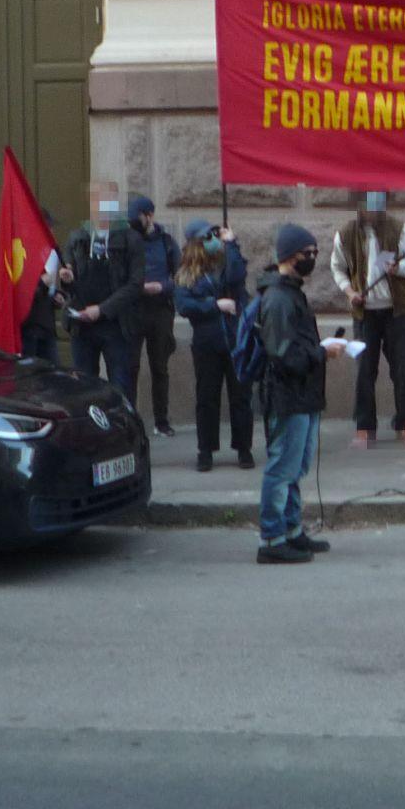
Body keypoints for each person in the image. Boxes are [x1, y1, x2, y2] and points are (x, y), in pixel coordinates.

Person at [254, 224, 343, 564]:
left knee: (296, 467)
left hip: (303, 395)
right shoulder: (278, 298)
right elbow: (282, 355)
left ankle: (291, 530)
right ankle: (271, 539)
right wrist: (323, 353)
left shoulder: (291, 293)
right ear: (291, 256)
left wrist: (321, 349)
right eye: (309, 253)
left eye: (315, 252)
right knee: (282, 468)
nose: (313, 258)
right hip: (287, 396)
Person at [331, 190, 405, 447]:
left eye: (377, 203)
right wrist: (350, 293)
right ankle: (364, 426)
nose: (373, 210)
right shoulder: (346, 233)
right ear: (359, 205)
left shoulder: (399, 229)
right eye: (368, 204)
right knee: (364, 371)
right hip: (365, 314)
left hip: (396, 311)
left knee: (402, 370)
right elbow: (337, 268)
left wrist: (398, 268)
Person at [175, 218, 254, 472]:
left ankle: (244, 448)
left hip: (235, 341)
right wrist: (213, 305)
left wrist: (232, 245)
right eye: (208, 236)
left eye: (215, 235)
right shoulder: (187, 273)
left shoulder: (226, 262)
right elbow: (184, 305)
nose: (214, 240)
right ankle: (206, 450)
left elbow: (237, 275)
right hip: (207, 343)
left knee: (241, 397)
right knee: (207, 398)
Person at [60, 183, 143, 400]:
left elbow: (135, 284)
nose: (100, 205)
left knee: (121, 387)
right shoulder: (78, 237)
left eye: (106, 200)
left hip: (117, 325)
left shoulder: (130, 239)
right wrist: (66, 278)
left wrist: (102, 309)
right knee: (83, 388)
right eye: (96, 199)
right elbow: (68, 277)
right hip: (82, 325)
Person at [130, 195, 180, 439]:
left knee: (160, 367)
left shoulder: (167, 243)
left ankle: (162, 421)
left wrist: (162, 287)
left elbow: (181, 276)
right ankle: (129, 421)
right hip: (133, 310)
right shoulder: (128, 240)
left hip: (160, 311)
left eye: (137, 217)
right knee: (130, 367)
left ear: (149, 216)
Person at [17, 208, 64, 365]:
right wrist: (42, 284)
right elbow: (21, 291)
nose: (52, 232)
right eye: (48, 228)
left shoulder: (52, 253)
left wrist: (57, 296)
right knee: (28, 371)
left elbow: (51, 286)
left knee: (53, 372)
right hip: (28, 327)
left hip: (47, 326)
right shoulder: (22, 253)